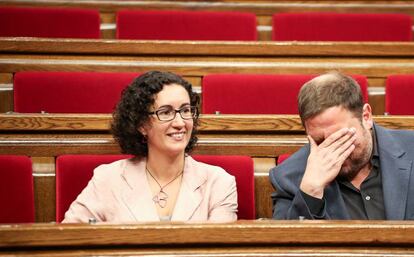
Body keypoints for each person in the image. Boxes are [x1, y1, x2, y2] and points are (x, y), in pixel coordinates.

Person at [63, 71, 238, 223]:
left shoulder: (218, 182)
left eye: (185, 110)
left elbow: (219, 253)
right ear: (141, 124)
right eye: (166, 112)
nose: (179, 123)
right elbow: (70, 236)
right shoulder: (108, 179)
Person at [270, 71, 414, 220]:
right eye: (320, 141)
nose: (332, 150)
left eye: (341, 137)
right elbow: (286, 241)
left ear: (366, 117)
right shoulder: (289, 177)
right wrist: (310, 192)